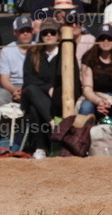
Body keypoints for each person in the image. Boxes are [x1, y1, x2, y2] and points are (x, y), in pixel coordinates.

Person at [21, 18, 79, 159]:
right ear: (40, 36)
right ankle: (54, 125)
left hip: (59, 99)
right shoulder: (33, 53)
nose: (48, 35)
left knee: (36, 108)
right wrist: (47, 88)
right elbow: (28, 79)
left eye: (52, 32)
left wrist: (55, 91)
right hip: (38, 95)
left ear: (58, 35)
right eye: (44, 33)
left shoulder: (66, 53)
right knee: (31, 90)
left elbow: (74, 80)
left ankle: (41, 147)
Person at [79, 24, 112, 123]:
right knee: (86, 106)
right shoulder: (88, 58)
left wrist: (109, 101)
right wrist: (99, 101)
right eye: (102, 38)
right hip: (95, 95)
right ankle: (81, 136)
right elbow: (87, 88)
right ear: (97, 41)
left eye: (109, 38)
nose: (106, 41)